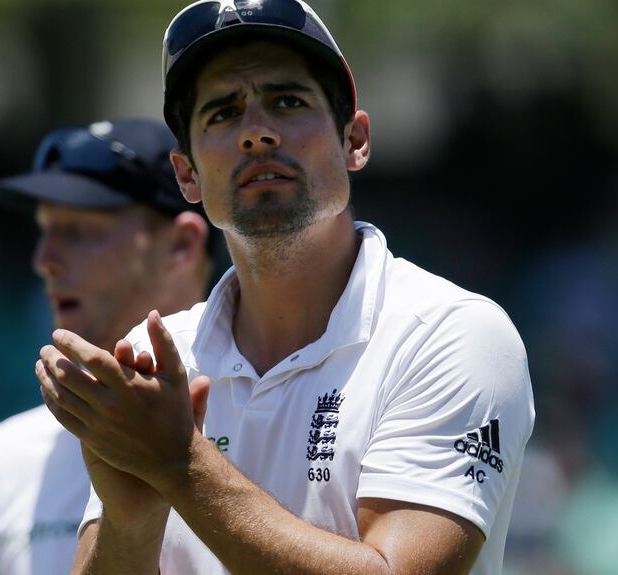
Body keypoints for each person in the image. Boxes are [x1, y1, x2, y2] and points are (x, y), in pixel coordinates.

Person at [35, 1, 536, 574]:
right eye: (223, 114)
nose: (257, 133)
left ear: (356, 140)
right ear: (187, 174)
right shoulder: (159, 354)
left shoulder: (453, 334)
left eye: (288, 102)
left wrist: (179, 466)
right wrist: (131, 518)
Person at [0, 118, 219, 575]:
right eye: (44, 231)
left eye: (78, 232)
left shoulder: (271, 412)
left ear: (181, 245)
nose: (44, 261)